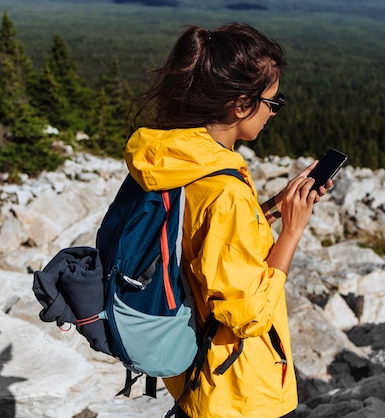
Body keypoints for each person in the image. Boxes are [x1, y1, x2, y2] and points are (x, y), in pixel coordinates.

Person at [124, 22, 330, 418]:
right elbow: (247, 313)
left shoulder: (181, 159)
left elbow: (206, 238)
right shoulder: (225, 190)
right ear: (239, 105)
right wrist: (292, 230)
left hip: (196, 373)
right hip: (235, 390)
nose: (274, 111)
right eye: (274, 101)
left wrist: (272, 208)